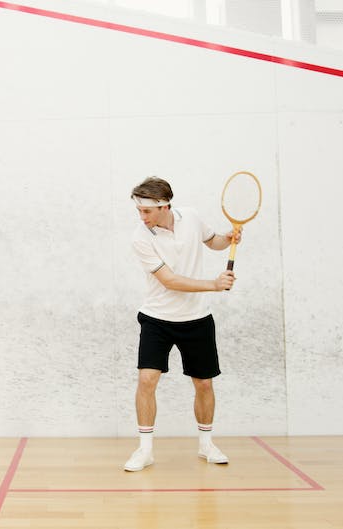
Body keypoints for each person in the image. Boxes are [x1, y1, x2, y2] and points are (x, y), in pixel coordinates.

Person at [124, 176, 241, 472]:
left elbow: (211, 241)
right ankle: (145, 450)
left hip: (197, 319)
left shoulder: (190, 217)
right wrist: (214, 285)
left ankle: (206, 445)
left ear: (165, 206)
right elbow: (170, 281)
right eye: (138, 211)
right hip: (156, 319)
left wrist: (229, 238)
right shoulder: (141, 237)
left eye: (147, 211)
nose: (142, 217)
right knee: (147, 380)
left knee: (203, 383)